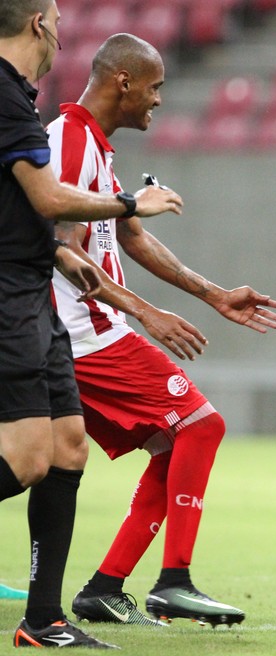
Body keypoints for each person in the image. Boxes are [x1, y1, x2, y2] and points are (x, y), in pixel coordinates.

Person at [45, 33, 276, 628]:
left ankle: (104, 587)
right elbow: (62, 248)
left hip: (83, 332)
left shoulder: (93, 145)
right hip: (84, 334)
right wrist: (144, 313)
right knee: (202, 426)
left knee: (168, 444)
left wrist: (213, 294)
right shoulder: (71, 142)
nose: (158, 101)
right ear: (123, 81)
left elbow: (128, 235)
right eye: (154, 88)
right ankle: (173, 582)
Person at [1, 0, 182, 648]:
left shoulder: (24, 102)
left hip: (36, 294)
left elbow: (30, 216)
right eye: (54, 14)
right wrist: (136, 203)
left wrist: (60, 256)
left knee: (68, 447)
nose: (60, 26)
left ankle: (43, 620)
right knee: (25, 459)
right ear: (38, 25)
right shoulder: (21, 106)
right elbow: (51, 203)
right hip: (15, 299)